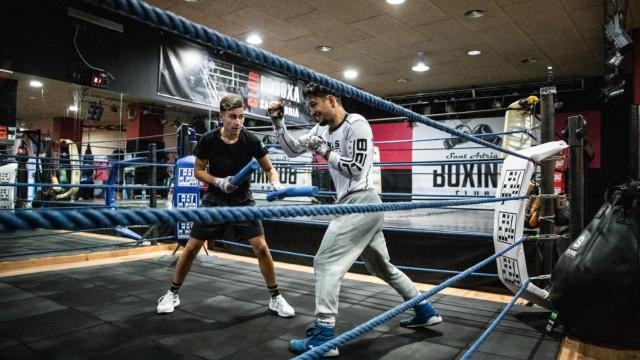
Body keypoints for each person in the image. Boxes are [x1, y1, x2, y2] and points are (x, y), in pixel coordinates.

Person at [268, 83, 442, 357]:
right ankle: (424, 309)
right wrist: (278, 124)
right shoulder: (321, 129)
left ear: (331, 100)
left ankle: (324, 336)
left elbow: (355, 168)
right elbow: (292, 150)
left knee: (324, 262)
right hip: (358, 206)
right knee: (382, 267)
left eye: (314, 105)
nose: (311, 111)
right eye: (309, 106)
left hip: (361, 201)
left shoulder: (357, 124)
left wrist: (324, 151)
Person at [157, 94, 295, 318]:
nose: (238, 122)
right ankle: (172, 293)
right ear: (221, 116)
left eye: (241, 117)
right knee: (191, 248)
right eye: (232, 117)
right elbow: (198, 170)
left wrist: (276, 183)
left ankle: (276, 297)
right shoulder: (209, 139)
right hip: (214, 199)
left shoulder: (250, 139)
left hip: (243, 199)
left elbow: (270, 168)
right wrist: (219, 182)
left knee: (261, 247)